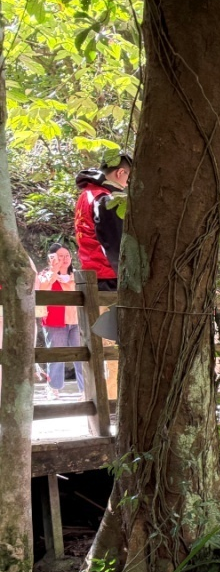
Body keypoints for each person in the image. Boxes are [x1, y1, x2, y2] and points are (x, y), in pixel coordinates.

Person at [74, 154, 131, 291]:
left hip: (92, 271)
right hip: (109, 274)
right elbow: (113, 241)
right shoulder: (106, 199)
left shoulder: (87, 194)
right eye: (129, 178)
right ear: (120, 172)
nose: (128, 183)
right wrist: (125, 274)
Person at [34, 243, 83, 398]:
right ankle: (53, 388)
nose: (64, 259)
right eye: (60, 256)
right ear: (51, 258)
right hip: (55, 321)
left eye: (67, 255)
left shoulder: (78, 276)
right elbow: (41, 289)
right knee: (55, 355)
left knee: (82, 356)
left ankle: (86, 389)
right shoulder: (45, 275)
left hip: (77, 321)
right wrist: (54, 272)